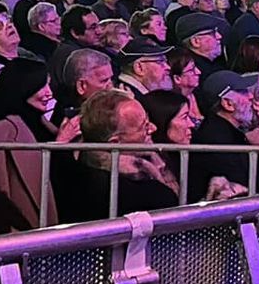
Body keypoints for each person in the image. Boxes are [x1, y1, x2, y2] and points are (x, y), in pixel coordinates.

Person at [66, 89, 182, 219]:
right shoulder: (139, 193)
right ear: (115, 142)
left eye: (148, 119)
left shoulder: (74, 167)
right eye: (144, 126)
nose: (153, 128)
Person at [0, 60, 60, 232]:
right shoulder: (0, 133)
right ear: (24, 87)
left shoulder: (44, 125)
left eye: (49, 86)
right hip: (24, 232)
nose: (49, 93)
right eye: (41, 86)